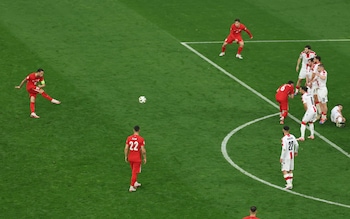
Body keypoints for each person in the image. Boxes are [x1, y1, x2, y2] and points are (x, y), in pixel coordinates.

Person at [124, 125, 147, 192]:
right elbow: (143, 150)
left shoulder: (129, 138)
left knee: (134, 171)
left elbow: (126, 148)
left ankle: (135, 182)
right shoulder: (141, 139)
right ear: (139, 130)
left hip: (130, 157)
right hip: (137, 159)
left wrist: (126, 156)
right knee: (134, 172)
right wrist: (145, 158)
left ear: (133, 130)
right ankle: (131, 186)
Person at [280, 126, 299, 190]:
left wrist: (282, 157)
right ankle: (290, 183)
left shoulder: (284, 138)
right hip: (292, 155)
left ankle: (289, 184)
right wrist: (296, 151)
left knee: (284, 170)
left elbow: (284, 149)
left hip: (286, 156)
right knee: (290, 169)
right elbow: (297, 144)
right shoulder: (292, 136)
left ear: (283, 130)